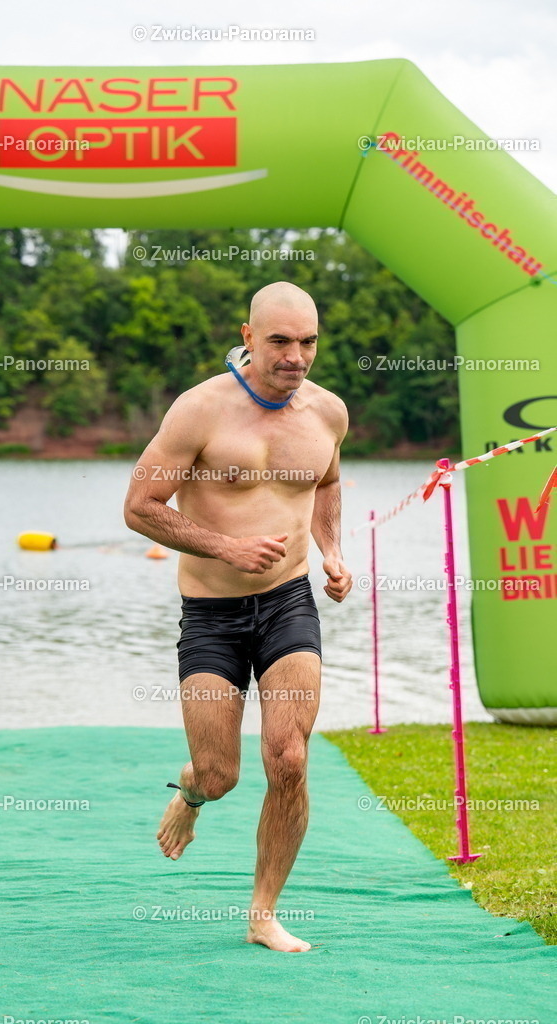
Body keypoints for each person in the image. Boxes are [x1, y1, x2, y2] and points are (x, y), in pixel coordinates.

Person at [124, 281, 353, 953]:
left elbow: (327, 483)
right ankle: (191, 793)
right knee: (219, 772)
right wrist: (226, 545)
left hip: (287, 603)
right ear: (247, 337)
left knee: (287, 757)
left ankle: (262, 913)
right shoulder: (199, 411)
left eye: (307, 342)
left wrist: (332, 552)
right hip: (211, 614)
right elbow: (139, 506)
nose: (295, 356)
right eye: (280, 341)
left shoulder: (327, 413)